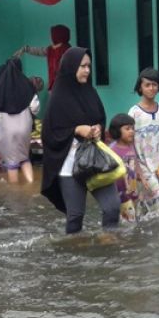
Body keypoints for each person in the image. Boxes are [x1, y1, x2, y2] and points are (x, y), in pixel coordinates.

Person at [40, 48, 119, 234]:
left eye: (89, 66)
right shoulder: (58, 98)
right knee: (75, 216)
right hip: (69, 164)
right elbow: (49, 134)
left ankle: (110, 245)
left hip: (95, 161)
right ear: (70, 67)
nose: (87, 70)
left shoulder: (89, 92)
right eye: (82, 66)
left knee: (113, 207)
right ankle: (73, 256)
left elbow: (99, 116)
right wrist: (76, 130)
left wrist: (98, 128)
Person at [128, 67, 159, 213]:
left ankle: (135, 221)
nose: (151, 88)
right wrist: (136, 168)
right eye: (147, 85)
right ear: (140, 87)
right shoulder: (134, 112)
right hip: (142, 164)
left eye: (154, 85)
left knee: (145, 198)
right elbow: (129, 143)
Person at [0, 58, 40, 185]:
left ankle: (16, 193)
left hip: (6, 126)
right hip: (25, 125)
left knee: (11, 162)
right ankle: (31, 185)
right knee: (24, 157)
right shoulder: (28, 85)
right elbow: (35, 108)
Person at [17, 24, 72, 90]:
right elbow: (39, 51)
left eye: (53, 35)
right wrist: (26, 49)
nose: (51, 37)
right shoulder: (50, 50)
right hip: (54, 87)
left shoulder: (68, 51)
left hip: (65, 87)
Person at [108, 113, 139, 222]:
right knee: (130, 221)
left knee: (131, 218)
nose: (132, 131)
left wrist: (142, 178)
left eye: (133, 128)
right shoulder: (112, 149)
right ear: (117, 131)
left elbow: (135, 163)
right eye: (127, 129)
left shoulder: (131, 146)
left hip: (132, 188)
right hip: (119, 192)